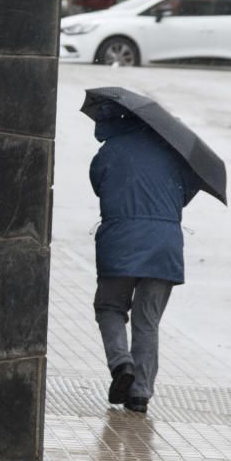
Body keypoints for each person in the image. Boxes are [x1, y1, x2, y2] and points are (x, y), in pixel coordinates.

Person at [89, 102, 200, 414]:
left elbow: (99, 185)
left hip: (120, 240)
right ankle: (140, 394)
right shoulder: (176, 154)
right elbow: (185, 194)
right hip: (164, 245)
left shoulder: (110, 150)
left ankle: (121, 362)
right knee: (147, 320)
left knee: (110, 306)